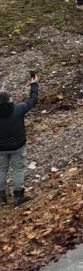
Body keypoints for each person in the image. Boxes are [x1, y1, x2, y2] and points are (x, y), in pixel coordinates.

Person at [0, 72, 39, 206]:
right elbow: (33, 101)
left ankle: (1, 196)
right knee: (18, 169)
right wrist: (34, 85)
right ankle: (18, 196)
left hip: (1, 148)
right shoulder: (18, 109)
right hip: (18, 145)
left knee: (1, 170)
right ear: (9, 100)